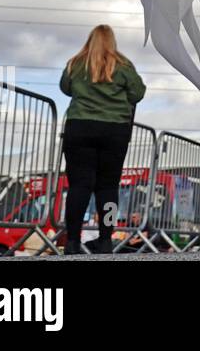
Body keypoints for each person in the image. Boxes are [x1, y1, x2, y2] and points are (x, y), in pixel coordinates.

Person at [59, 24, 146, 255]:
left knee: (78, 187)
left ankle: (72, 241)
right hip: (114, 130)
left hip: (80, 127)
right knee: (108, 187)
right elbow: (138, 93)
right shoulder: (124, 65)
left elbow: (65, 89)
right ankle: (106, 239)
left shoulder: (75, 63)